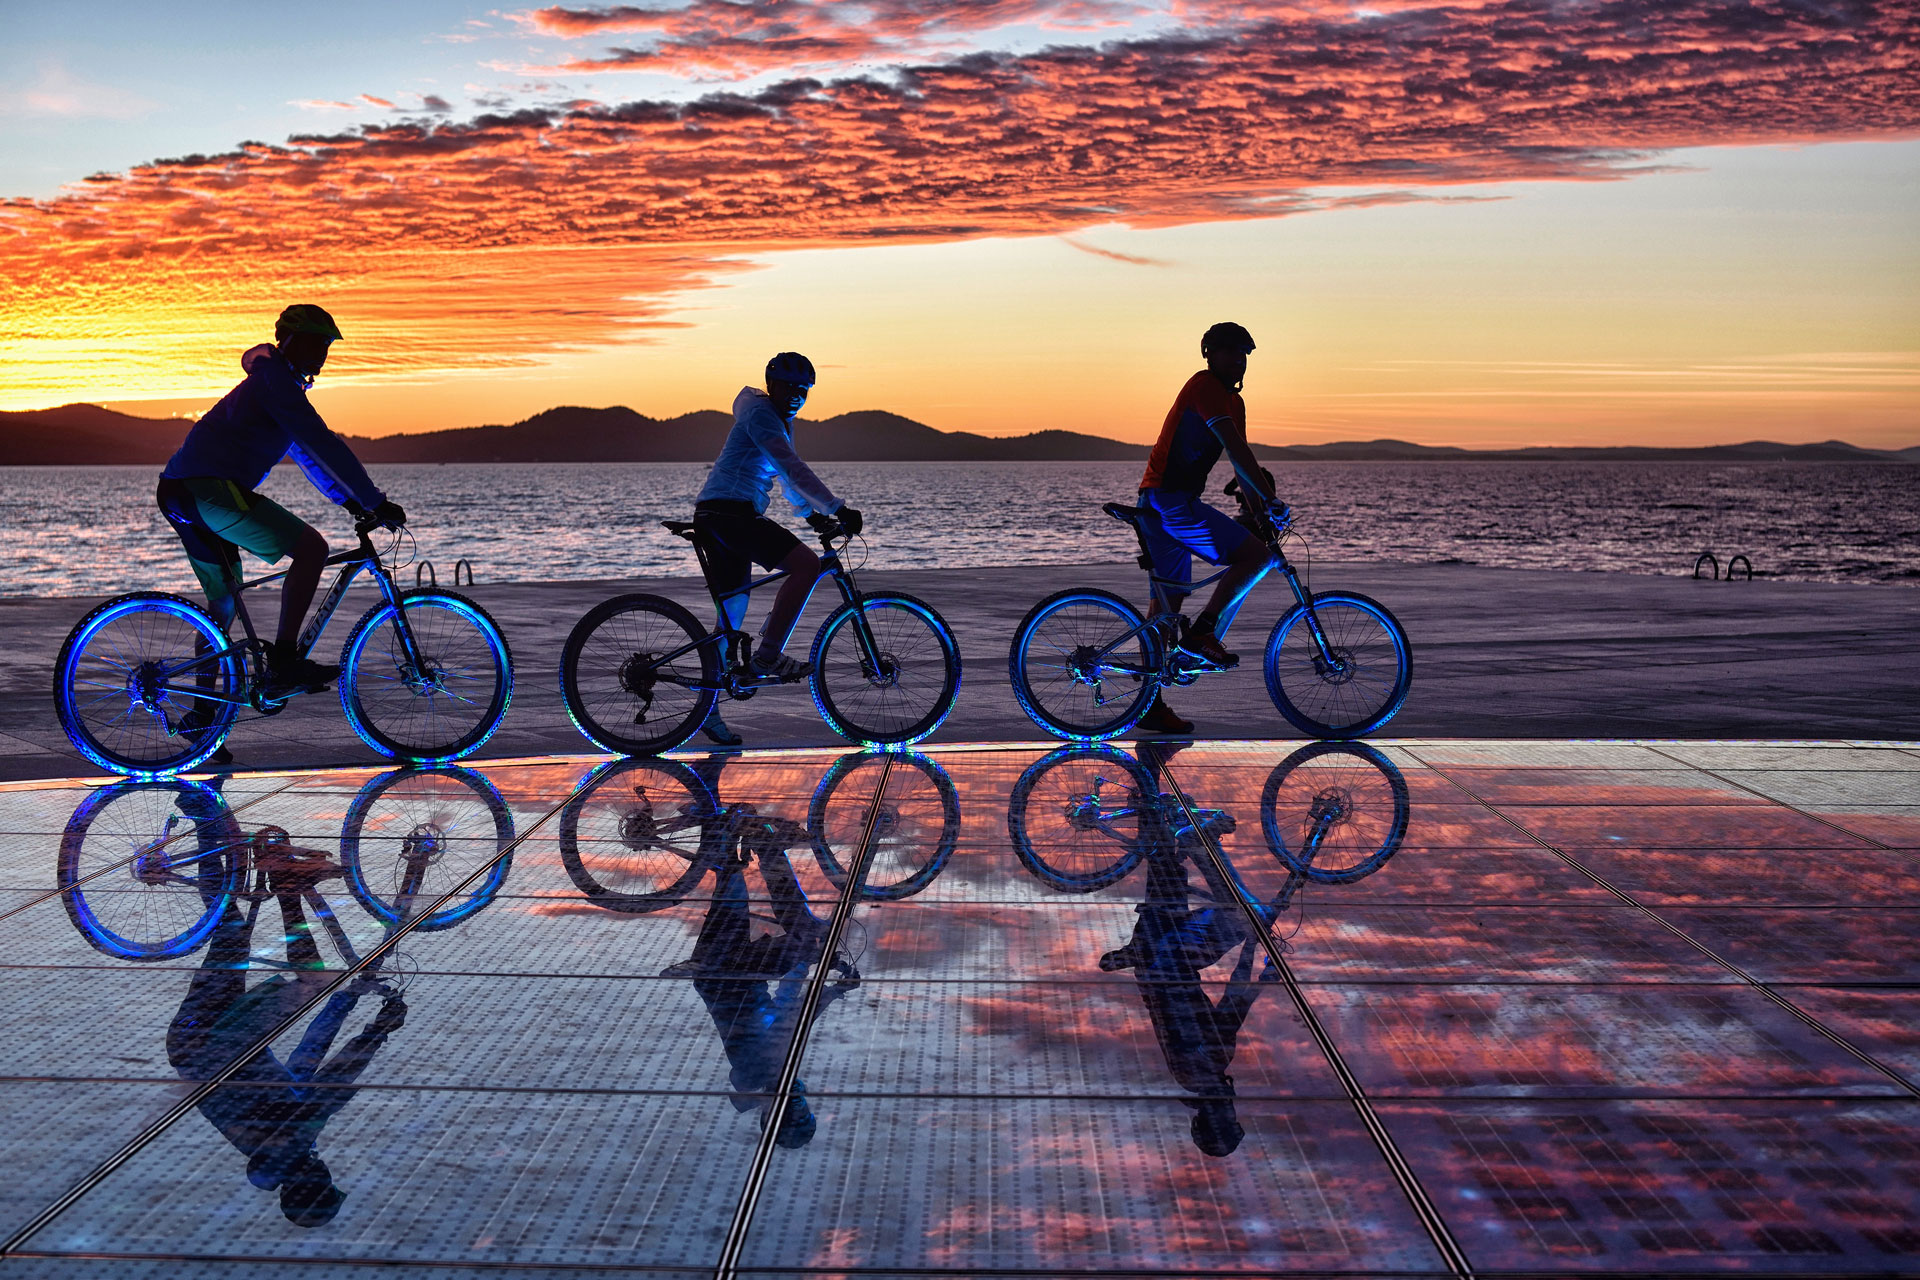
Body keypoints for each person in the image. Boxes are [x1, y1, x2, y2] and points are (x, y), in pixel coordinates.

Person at [156, 304, 405, 710]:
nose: (321, 353)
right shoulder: (276, 382)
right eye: (314, 343)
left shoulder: (276, 384)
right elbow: (321, 442)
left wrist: (350, 502)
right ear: (288, 341)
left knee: (221, 605)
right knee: (312, 550)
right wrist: (373, 501)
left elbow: (308, 455)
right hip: (206, 490)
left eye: (325, 346)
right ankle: (285, 660)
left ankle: (202, 718)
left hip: (181, 491)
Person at [689, 352, 862, 746]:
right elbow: (791, 468)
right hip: (731, 513)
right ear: (772, 384)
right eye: (791, 387)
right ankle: (768, 657)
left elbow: (783, 475)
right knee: (804, 565)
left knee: (731, 616)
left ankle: (707, 711)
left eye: (806, 390)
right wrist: (835, 507)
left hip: (718, 514)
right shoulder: (763, 415)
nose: (798, 395)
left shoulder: (774, 418)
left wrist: (811, 516)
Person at [1133, 322, 1288, 735]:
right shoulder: (1204, 387)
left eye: (1244, 354)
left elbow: (1240, 468)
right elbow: (1238, 449)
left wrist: (1259, 512)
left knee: (1167, 609)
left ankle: (1148, 704)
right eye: (1230, 352)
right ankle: (1203, 633)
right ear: (1209, 355)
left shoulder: (1234, 404)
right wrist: (1269, 503)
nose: (1238, 360)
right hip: (1169, 501)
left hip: (1161, 501)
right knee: (1255, 557)